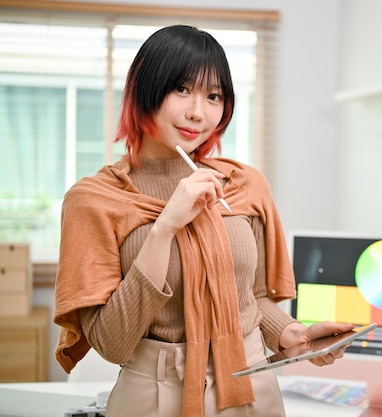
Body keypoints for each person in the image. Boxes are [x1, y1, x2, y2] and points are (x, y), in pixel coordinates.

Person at [53, 24, 354, 417]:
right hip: (152, 393)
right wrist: (165, 228)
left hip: (252, 384)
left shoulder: (243, 184)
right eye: (182, 89)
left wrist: (290, 334)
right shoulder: (94, 200)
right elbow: (112, 342)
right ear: (144, 90)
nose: (199, 112)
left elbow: (253, 297)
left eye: (214, 96)